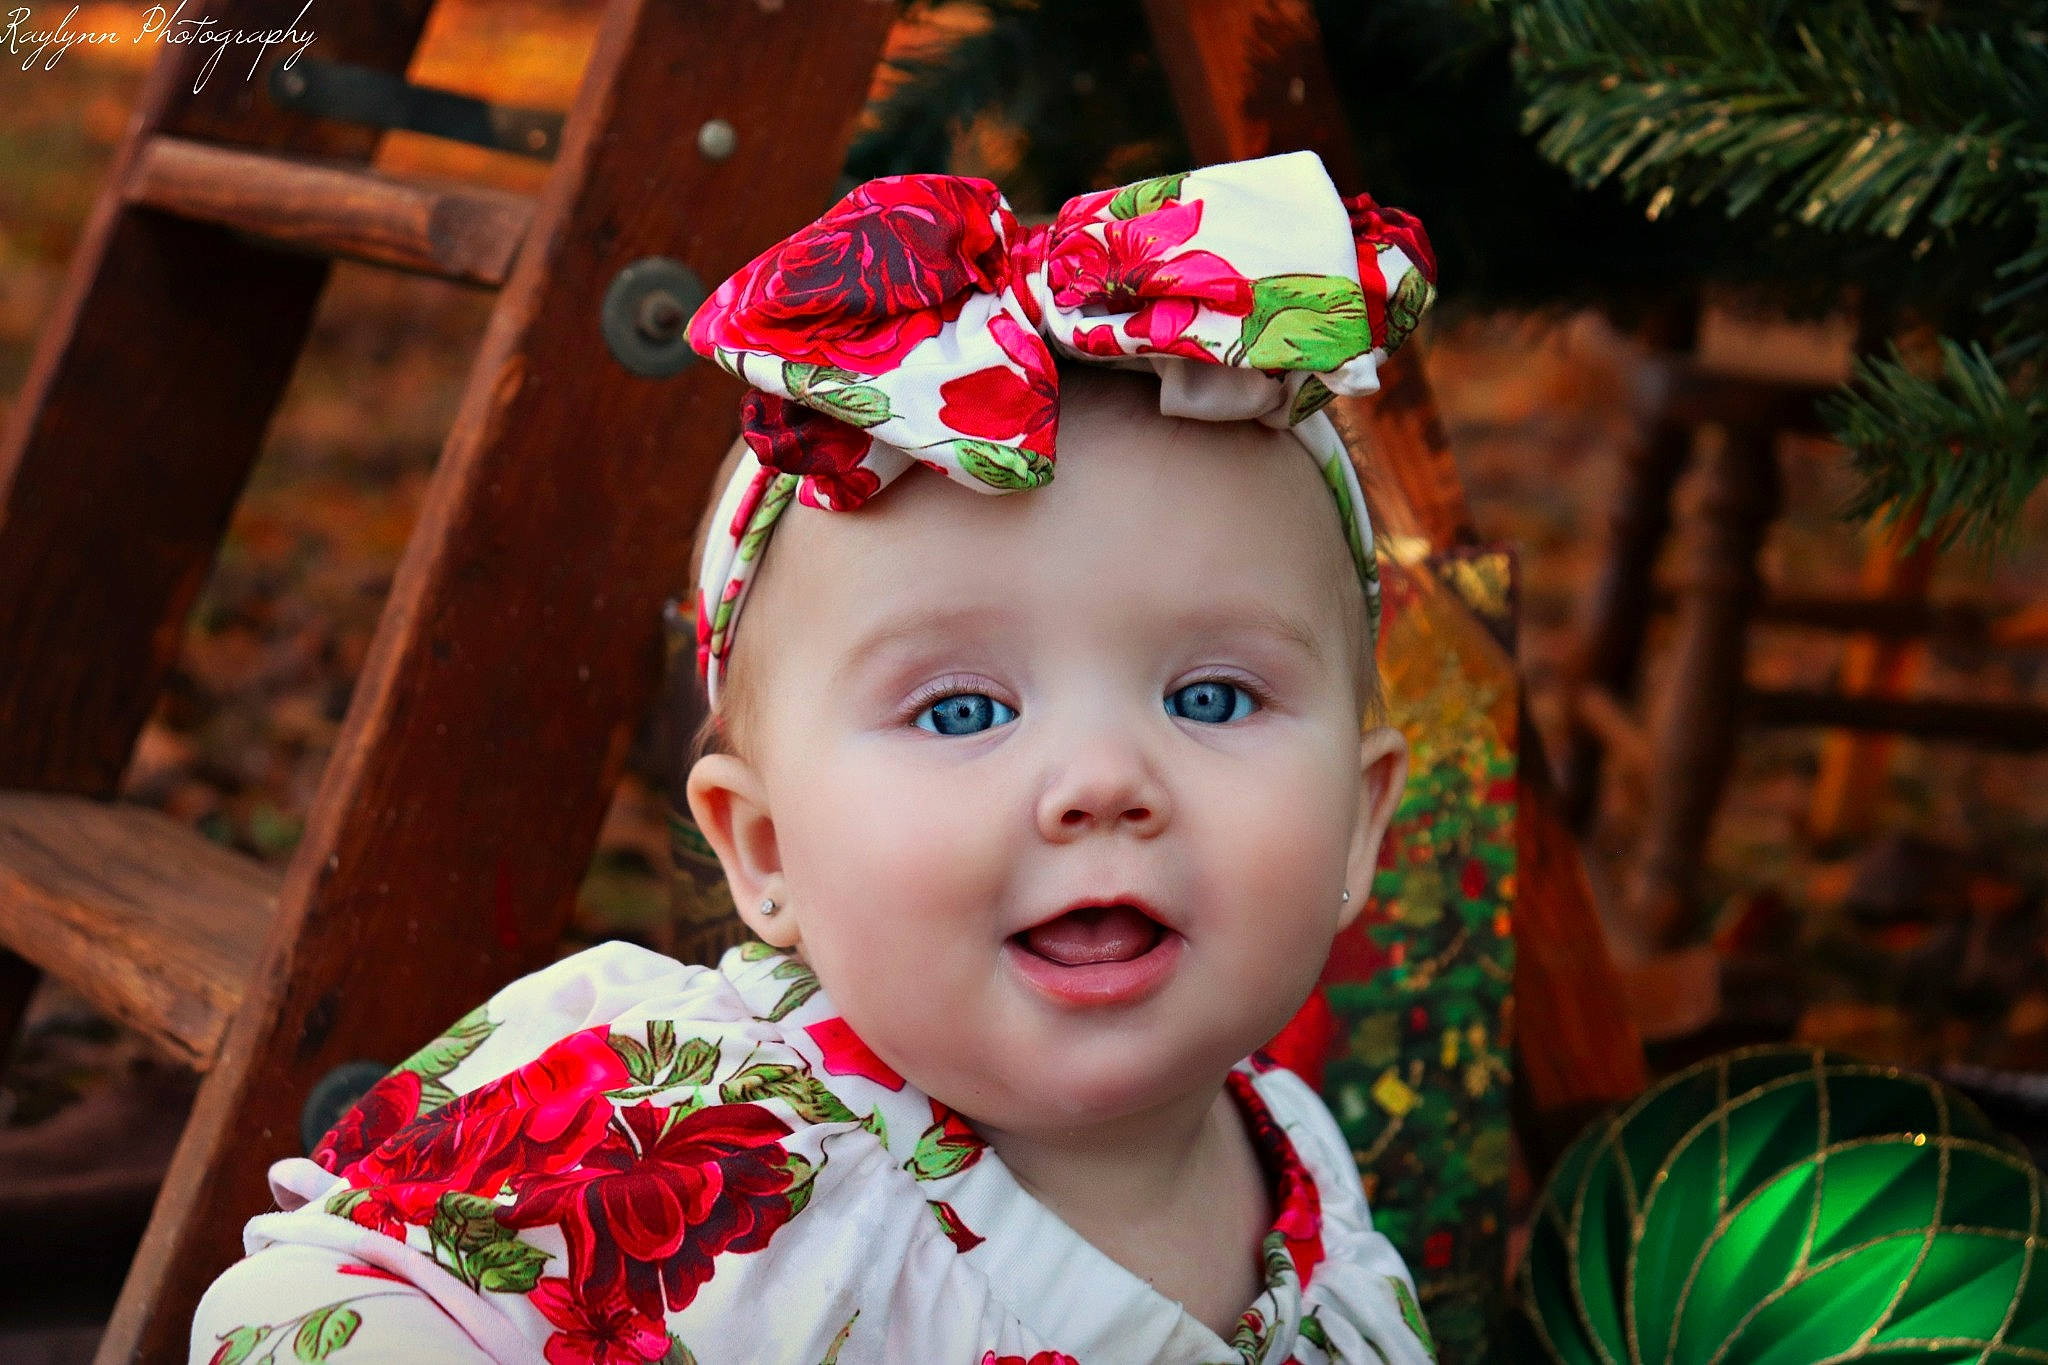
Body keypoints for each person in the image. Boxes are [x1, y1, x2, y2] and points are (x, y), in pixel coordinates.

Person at [192, 149, 1442, 1365]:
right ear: (765, 847)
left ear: (1358, 821)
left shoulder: (1302, 1166)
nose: (1104, 782)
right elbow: (310, 1307)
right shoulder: (704, 1128)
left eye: (1213, 696)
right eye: (961, 712)